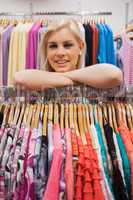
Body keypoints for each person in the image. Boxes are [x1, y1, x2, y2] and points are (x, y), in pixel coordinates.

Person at [14, 19, 123, 90]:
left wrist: (66, 77)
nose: (60, 53)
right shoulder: (93, 79)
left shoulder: (39, 81)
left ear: (80, 47)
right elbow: (19, 79)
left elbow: (115, 75)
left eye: (67, 45)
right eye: (53, 46)